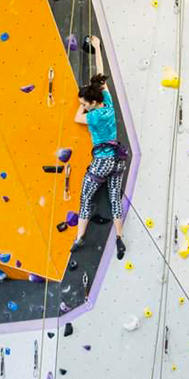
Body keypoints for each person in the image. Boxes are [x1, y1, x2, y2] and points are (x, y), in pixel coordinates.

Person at [72, 35, 127, 260]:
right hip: (118, 161)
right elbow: (101, 77)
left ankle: (78, 238)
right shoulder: (108, 101)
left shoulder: (93, 115)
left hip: (102, 162)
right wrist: (96, 48)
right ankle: (119, 237)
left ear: (91, 104)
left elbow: (77, 118)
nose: (83, 106)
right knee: (115, 198)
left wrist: (82, 108)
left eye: (85, 103)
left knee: (85, 198)